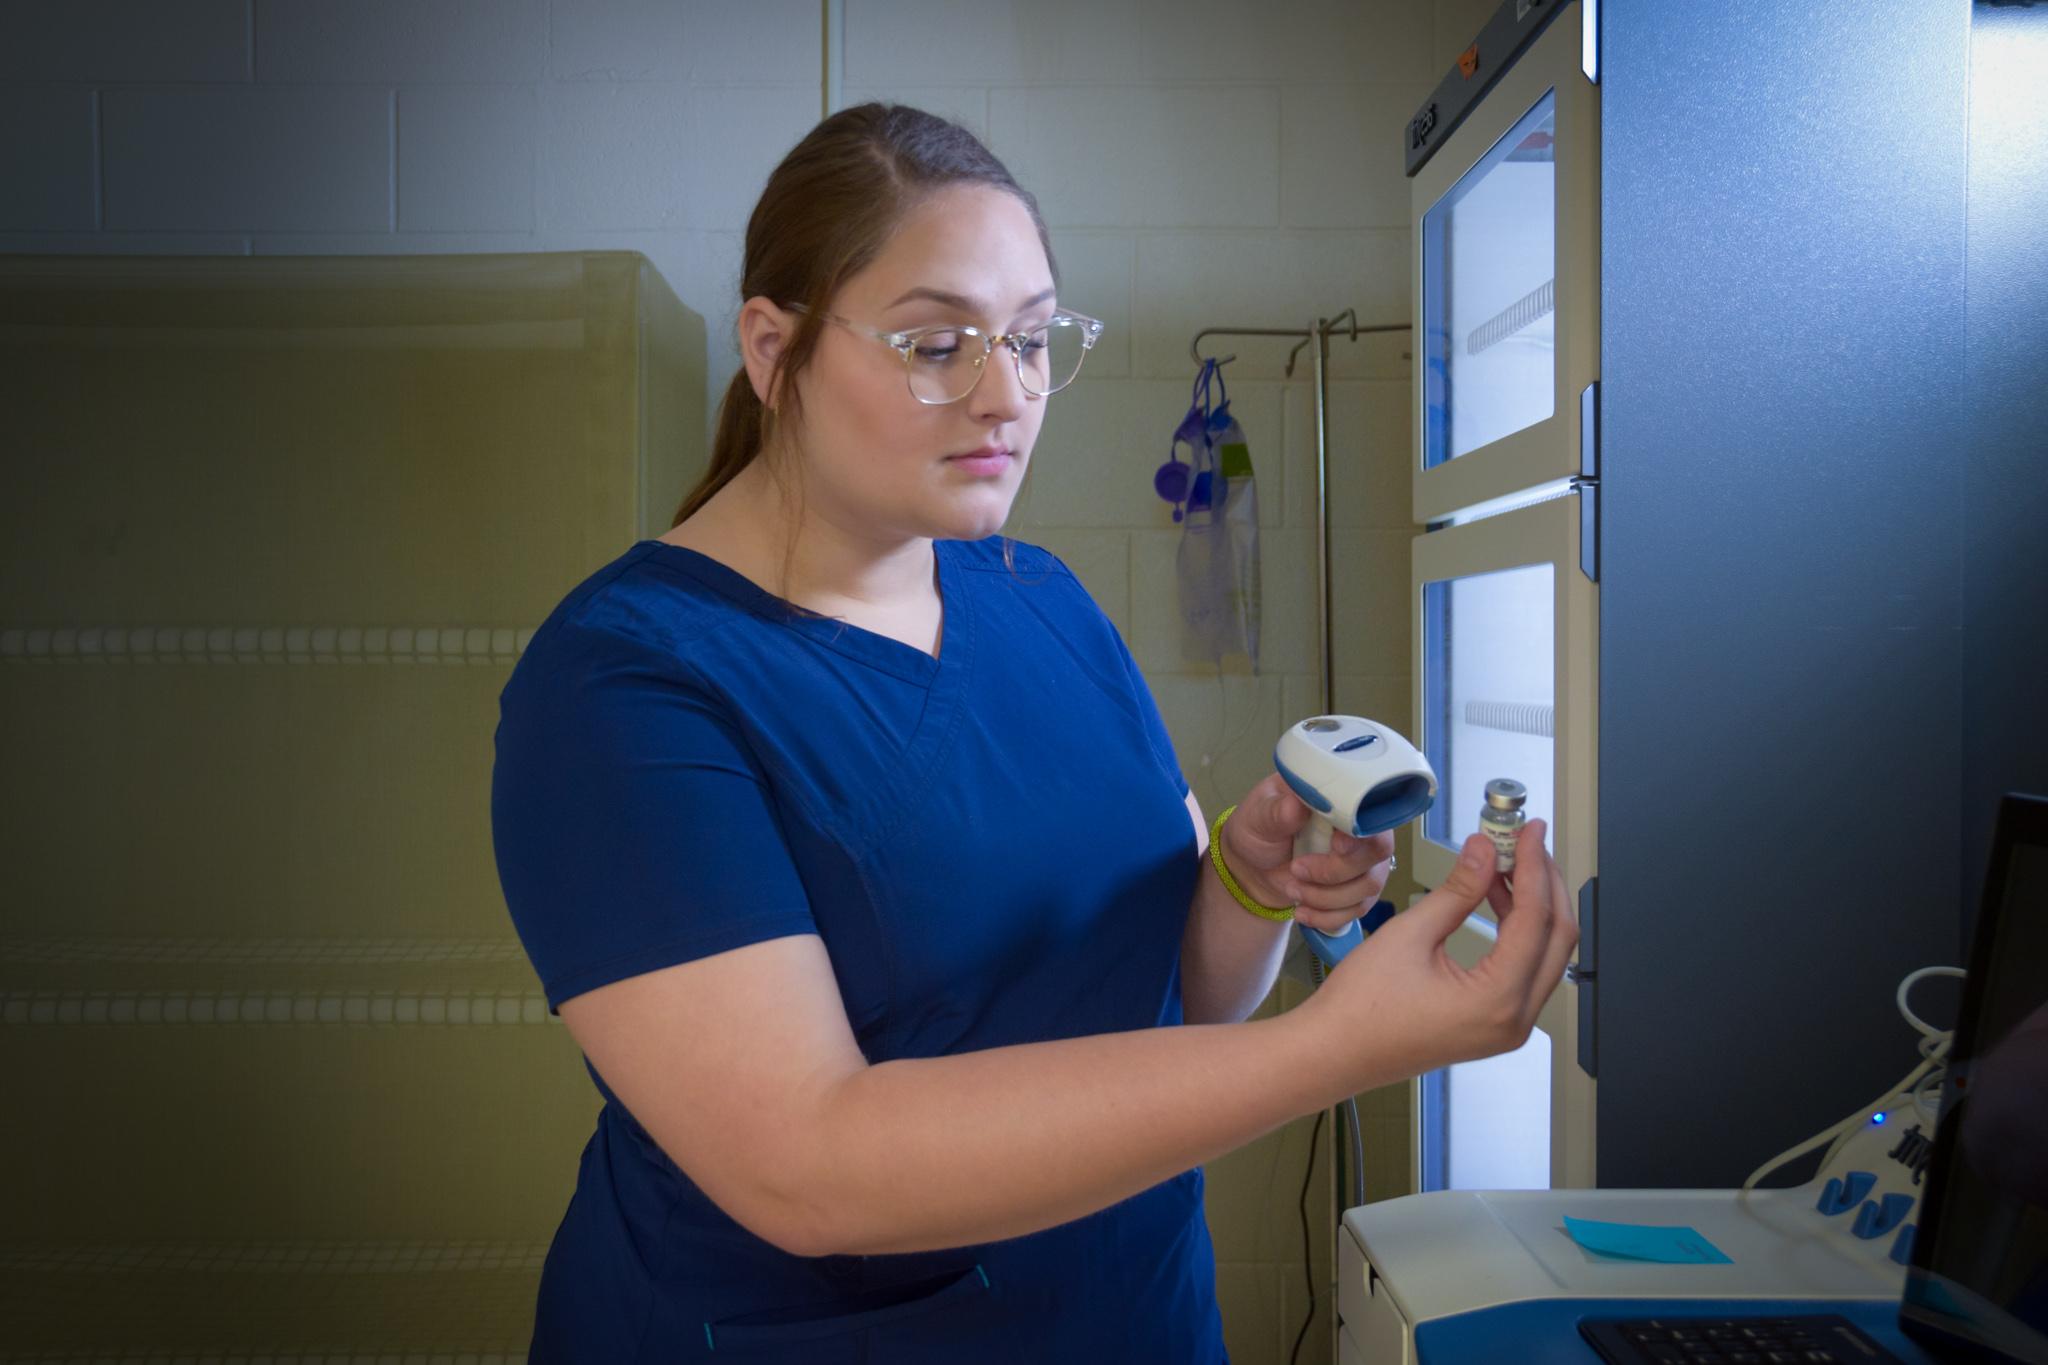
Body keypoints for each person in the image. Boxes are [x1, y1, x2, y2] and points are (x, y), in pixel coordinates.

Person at [489, 102, 1578, 1363]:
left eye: (1029, 337)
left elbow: (1181, 1008)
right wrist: (1339, 1049)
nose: (1005, 395)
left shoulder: (1034, 595)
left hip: (1135, 1315)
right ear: (771, 349)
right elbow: (804, 1165)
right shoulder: (625, 684)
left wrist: (1245, 883)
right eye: (937, 343)